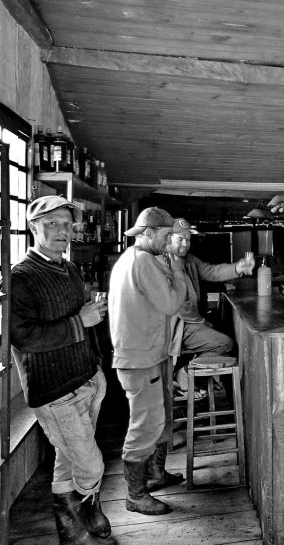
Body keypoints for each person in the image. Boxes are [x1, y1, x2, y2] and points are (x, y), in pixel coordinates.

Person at [10, 195, 118, 545]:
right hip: (54, 390)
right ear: (33, 226)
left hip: (86, 378)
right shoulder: (20, 277)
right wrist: (79, 322)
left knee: (67, 460)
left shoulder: (68, 269)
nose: (62, 231)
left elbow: (83, 313)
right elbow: (23, 337)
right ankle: (88, 514)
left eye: (67, 224)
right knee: (90, 464)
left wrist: (96, 363)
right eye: (52, 223)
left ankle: (74, 537)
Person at [109, 207, 188, 515]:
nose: (169, 242)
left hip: (140, 354)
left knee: (155, 419)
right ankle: (136, 495)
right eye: (166, 236)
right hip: (140, 358)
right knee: (145, 426)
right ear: (149, 233)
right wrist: (178, 270)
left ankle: (155, 475)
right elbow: (171, 303)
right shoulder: (144, 262)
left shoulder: (130, 259)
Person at [165, 218, 255, 394]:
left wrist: (239, 267)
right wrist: (201, 321)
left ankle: (195, 374)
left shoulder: (189, 260)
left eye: (188, 239)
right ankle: (184, 372)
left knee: (224, 337)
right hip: (175, 327)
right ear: (167, 239)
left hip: (189, 324)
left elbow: (212, 271)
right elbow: (178, 306)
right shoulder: (162, 264)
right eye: (180, 239)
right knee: (226, 344)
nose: (185, 243)